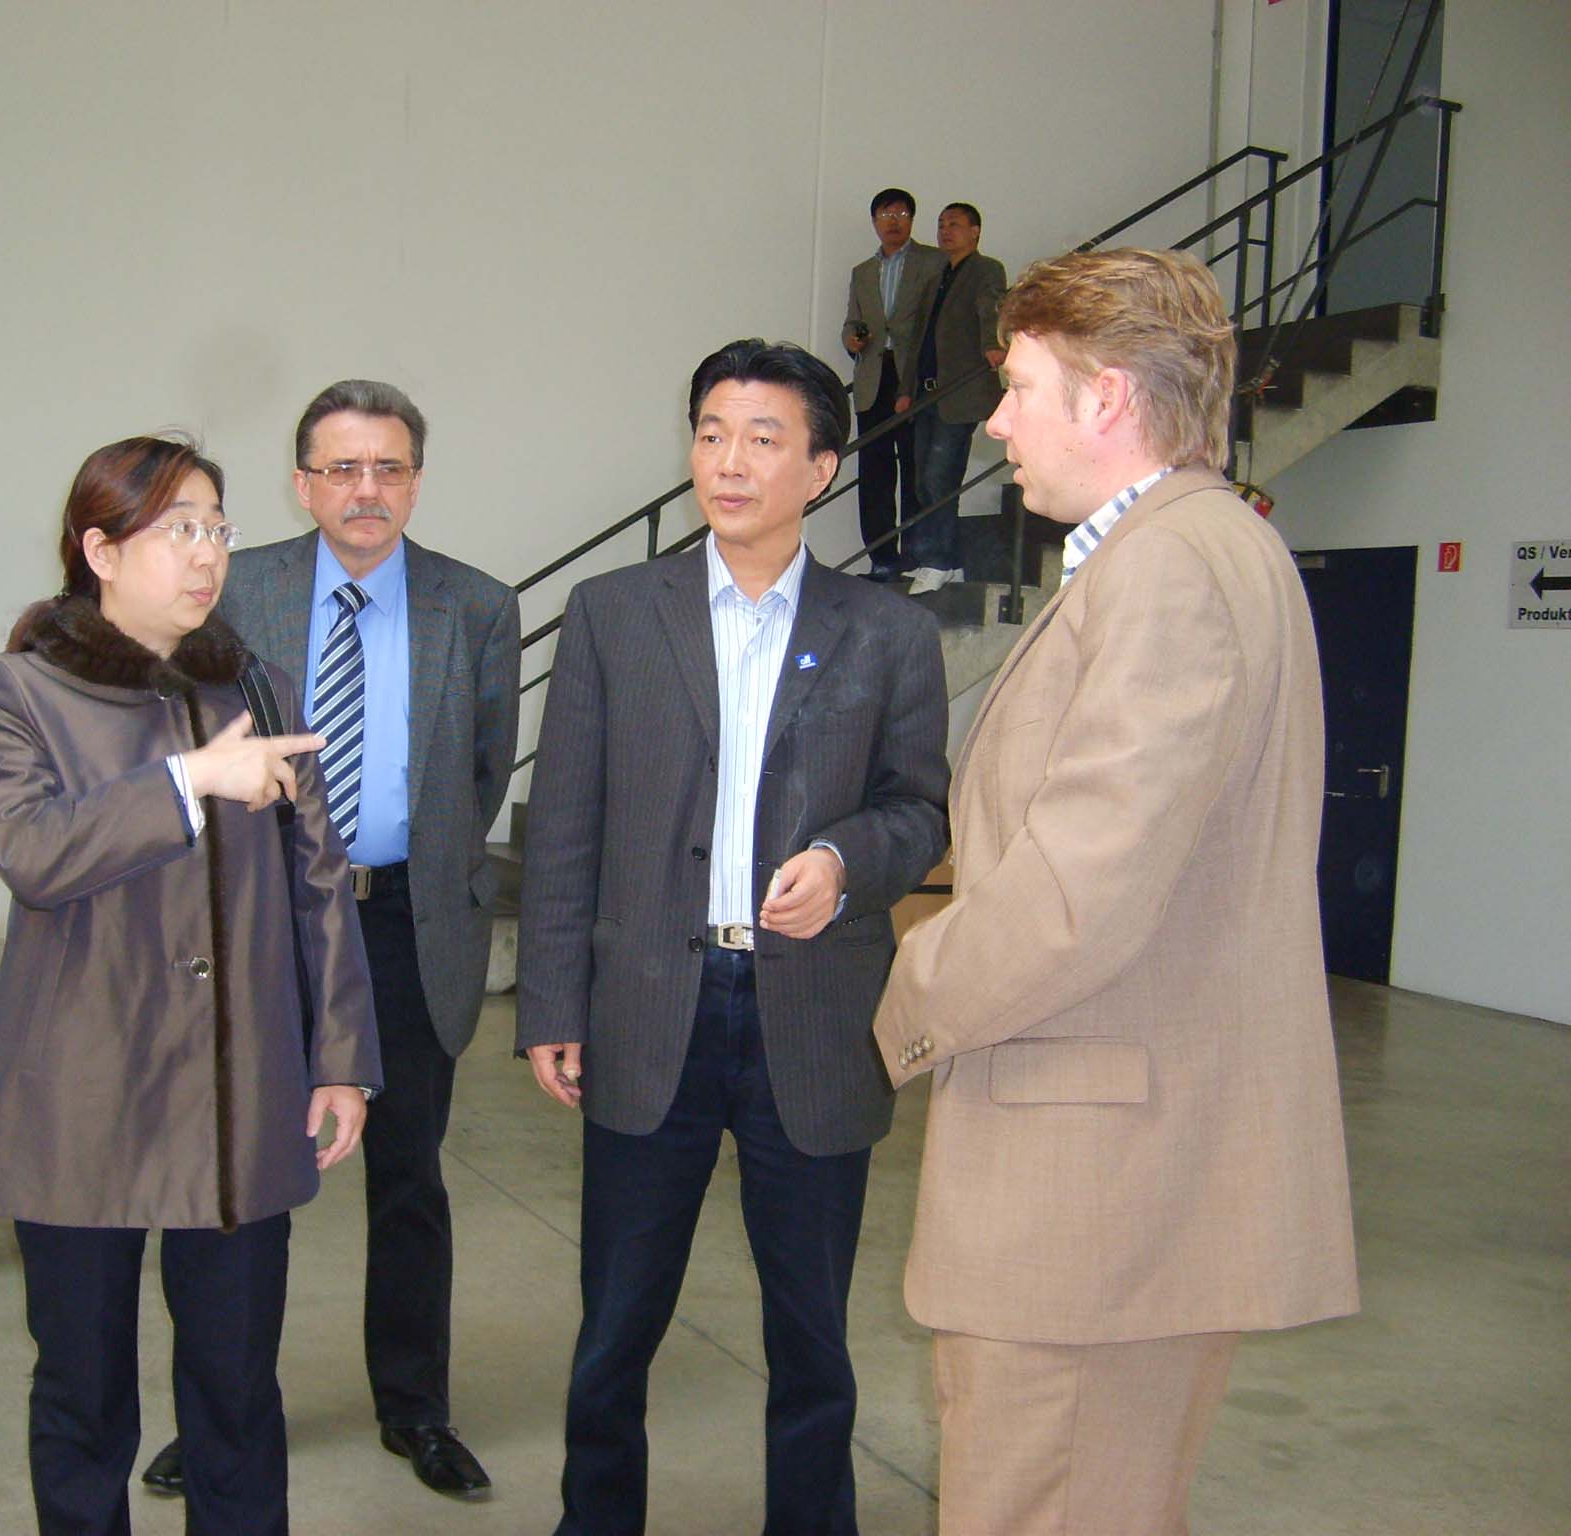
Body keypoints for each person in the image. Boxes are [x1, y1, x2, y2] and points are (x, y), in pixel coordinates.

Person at [872, 248, 1360, 1536]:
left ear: (1104, 399)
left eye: (1018, 388)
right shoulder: (1193, 549)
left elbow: (1076, 894)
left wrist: (899, 991)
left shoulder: (1168, 569)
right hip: (1118, 1177)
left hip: (1093, 1195)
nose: (995, 424)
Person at [518, 340, 950, 1535]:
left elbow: (919, 809)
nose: (728, 461)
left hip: (808, 1015)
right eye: (710, 433)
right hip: (649, 1004)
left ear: (819, 468)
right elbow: (563, 822)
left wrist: (844, 863)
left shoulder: (885, 632)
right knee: (614, 1324)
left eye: (763, 438)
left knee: (810, 1334)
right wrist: (551, 1003)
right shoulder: (614, 614)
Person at [0, 434, 382, 1536]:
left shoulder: (252, 684)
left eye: (216, 529)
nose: (205, 555)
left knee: (236, 1394)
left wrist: (340, 1059)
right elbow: (33, 852)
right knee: (84, 1393)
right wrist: (190, 779)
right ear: (100, 550)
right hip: (82, 1103)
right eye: (177, 530)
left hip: (236, 1096)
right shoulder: (19, 690)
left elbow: (318, 882)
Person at [141, 381, 520, 1501]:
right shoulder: (236, 591)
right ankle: (221, 1413)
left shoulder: (476, 606)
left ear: (416, 481)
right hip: (259, 923)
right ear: (302, 484)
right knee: (239, 1183)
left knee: (408, 1180)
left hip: (404, 922)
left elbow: (481, 771)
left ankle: (415, 1408)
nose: (367, 490)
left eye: (389, 467)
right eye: (342, 468)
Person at [890, 201, 1007, 593]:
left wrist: (993, 344)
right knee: (923, 481)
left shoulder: (985, 269)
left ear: (975, 231)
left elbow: (990, 307)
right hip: (927, 393)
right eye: (941, 225)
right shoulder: (937, 275)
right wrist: (905, 389)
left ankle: (938, 561)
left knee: (940, 477)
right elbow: (918, 338)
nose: (945, 231)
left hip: (958, 392)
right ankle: (946, 561)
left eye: (954, 224)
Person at [843, 187, 945, 580]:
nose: (893, 222)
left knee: (916, 465)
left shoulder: (933, 262)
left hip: (914, 373)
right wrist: (852, 339)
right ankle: (882, 556)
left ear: (912, 220)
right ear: (874, 222)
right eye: (886, 215)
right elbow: (852, 321)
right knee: (875, 471)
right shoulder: (862, 272)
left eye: (901, 214)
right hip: (873, 376)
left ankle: (916, 554)